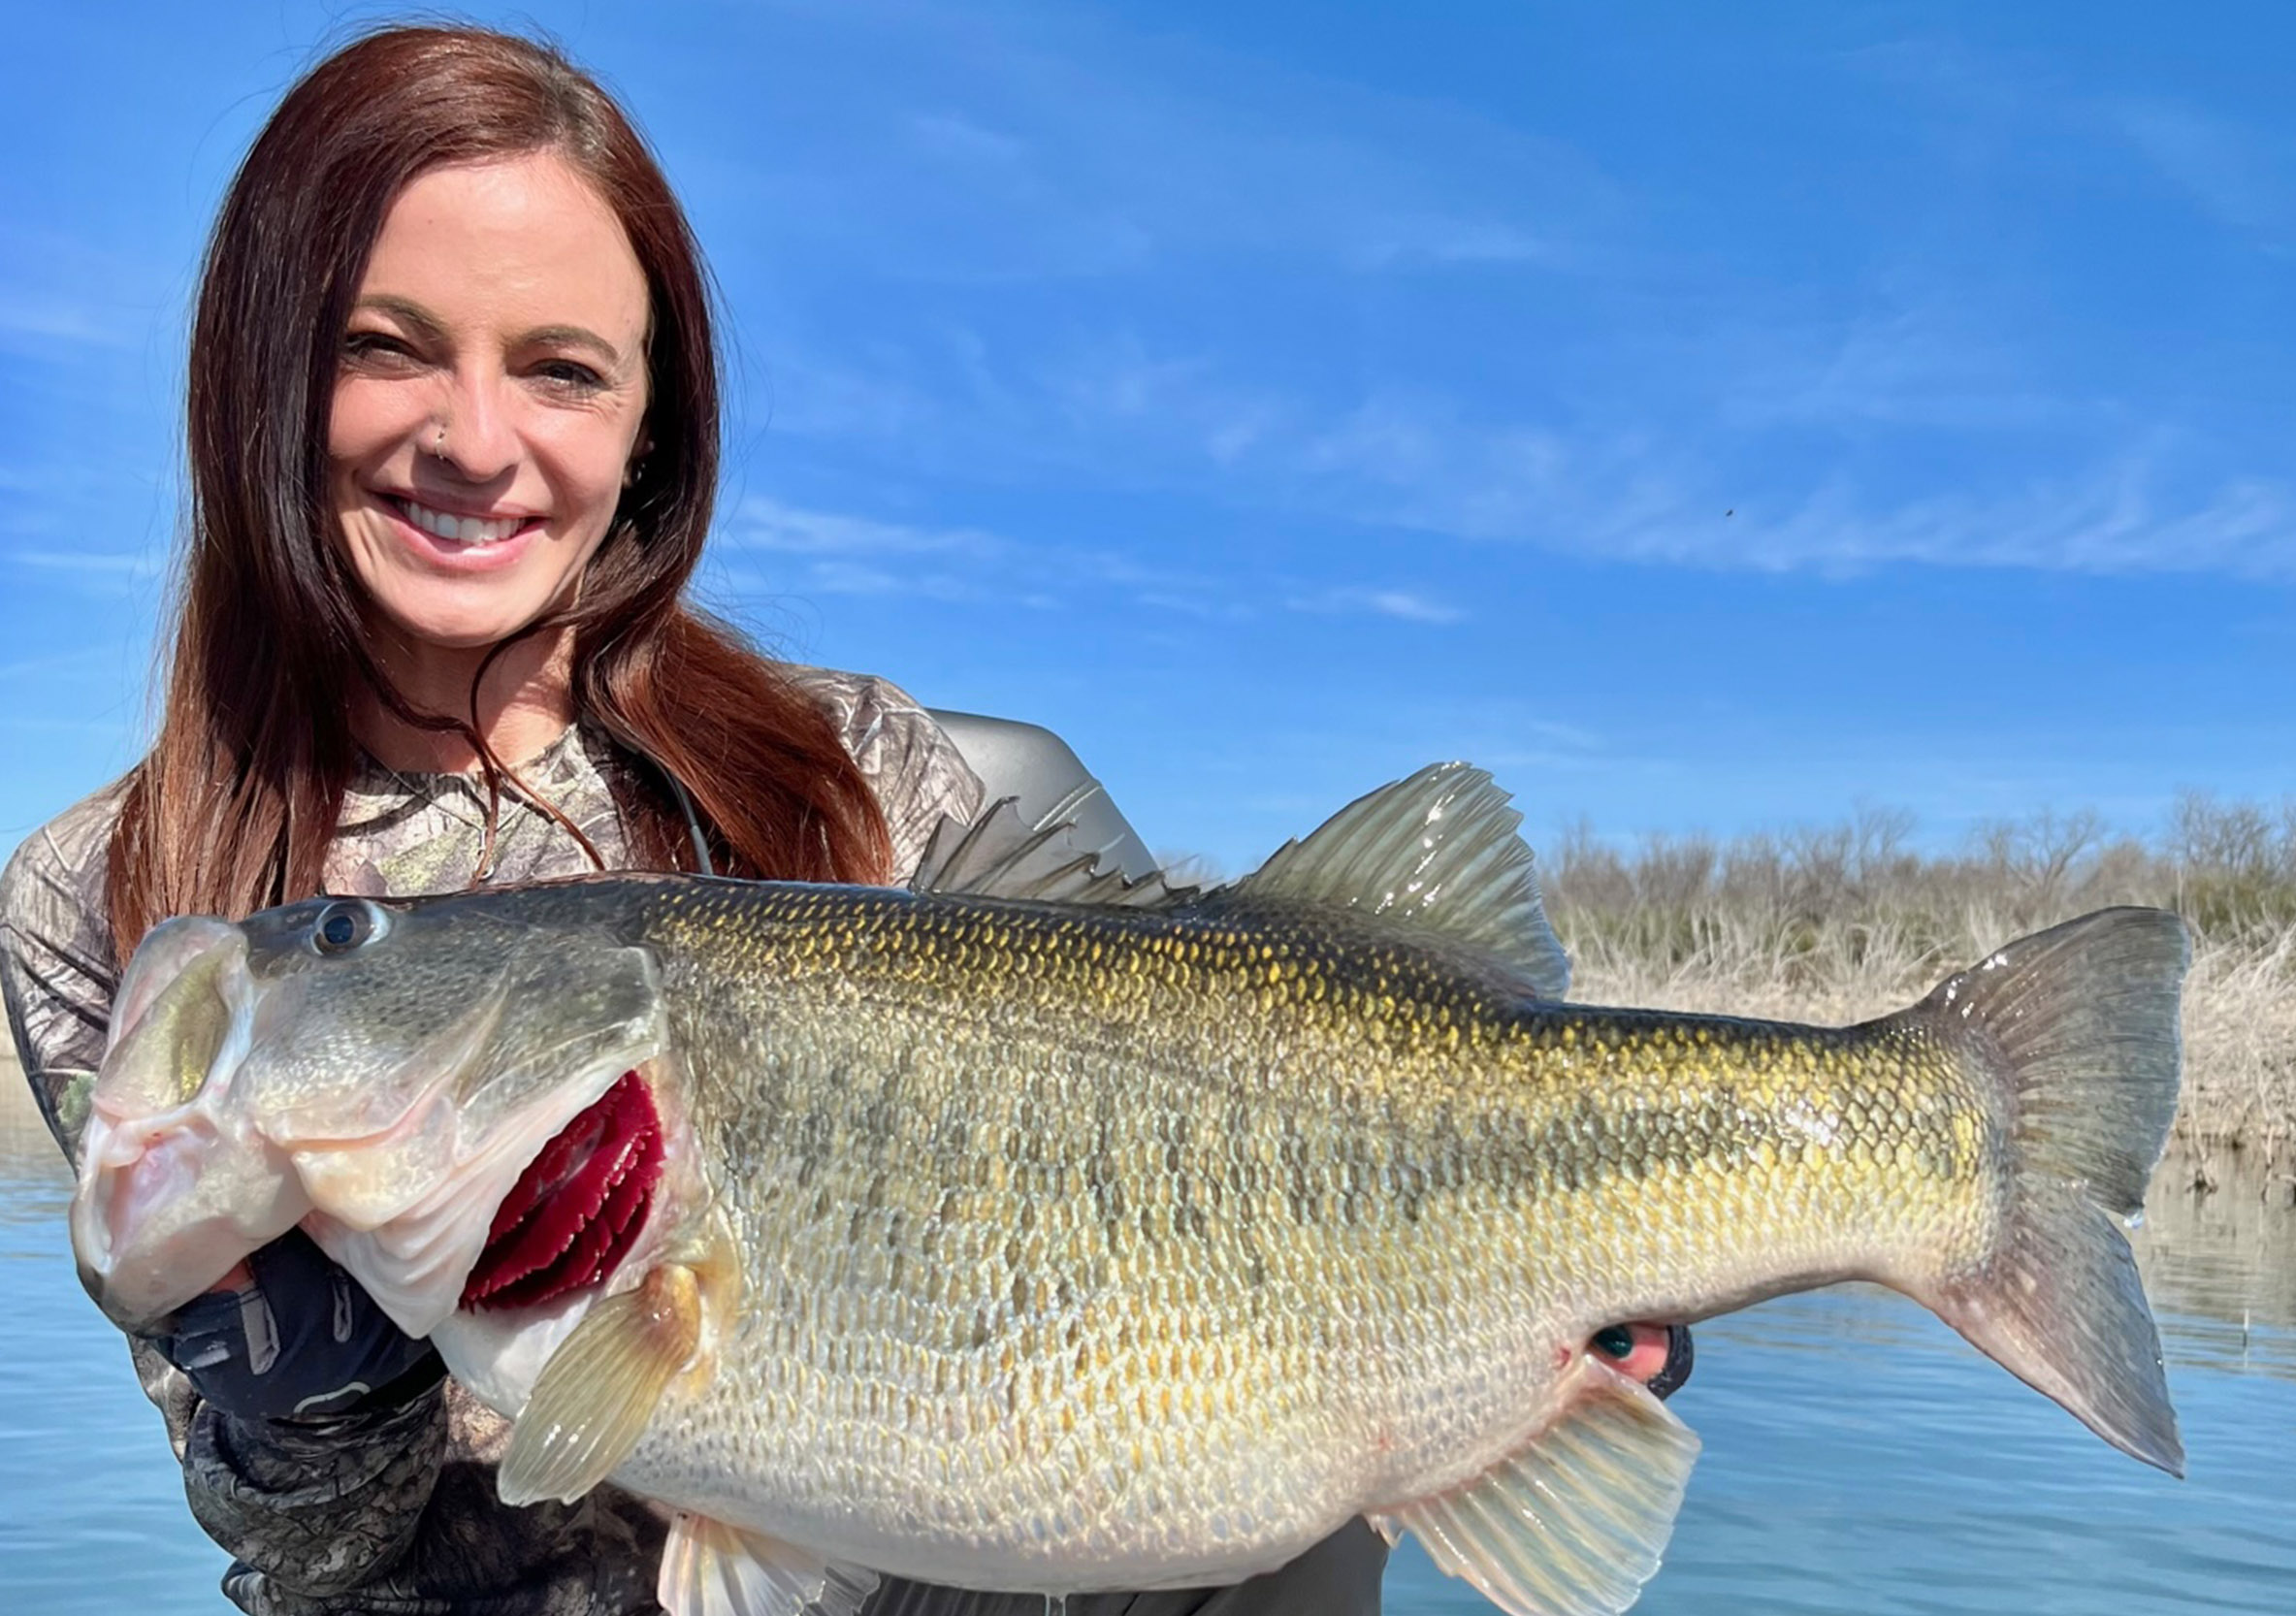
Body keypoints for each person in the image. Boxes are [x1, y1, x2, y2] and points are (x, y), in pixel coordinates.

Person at [0, 24, 1685, 1616]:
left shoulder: (869, 767)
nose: (474, 436)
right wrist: (312, 1397)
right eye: (387, 344)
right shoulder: (112, 902)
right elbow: (310, 1556)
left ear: (652, 421)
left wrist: (1552, 1246)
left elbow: (1225, 1066)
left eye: (563, 370)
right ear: (264, 365)